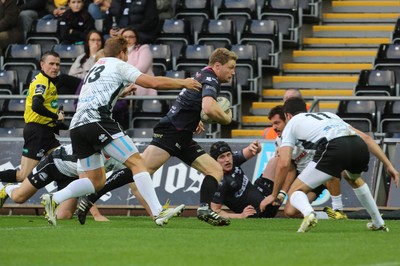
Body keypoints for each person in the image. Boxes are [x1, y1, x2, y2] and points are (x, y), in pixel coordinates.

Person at [39, 36, 201, 226]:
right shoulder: (119, 65)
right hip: (97, 121)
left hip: (77, 126)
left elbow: (95, 92)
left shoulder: (97, 65)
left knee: (96, 181)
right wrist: (183, 83)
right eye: (127, 53)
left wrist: (121, 92)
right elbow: (152, 83)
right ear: (122, 52)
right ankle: (158, 212)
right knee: (138, 163)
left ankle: (54, 198)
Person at [76, 47, 237, 227]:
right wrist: (227, 119)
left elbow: (192, 101)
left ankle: (205, 209)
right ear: (217, 65)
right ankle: (91, 196)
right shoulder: (211, 78)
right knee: (139, 169)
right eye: (231, 67)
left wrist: (194, 118)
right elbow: (209, 107)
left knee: (215, 170)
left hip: (182, 133)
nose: (233, 71)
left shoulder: (204, 75)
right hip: (173, 132)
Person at [261, 97, 399, 233]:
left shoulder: (292, 123)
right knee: (353, 178)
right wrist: (389, 165)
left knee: (295, 192)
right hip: (358, 146)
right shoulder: (328, 115)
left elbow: (284, 164)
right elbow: (367, 138)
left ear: (288, 115)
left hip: (335, 147)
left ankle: (311, 214)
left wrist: (274, 195)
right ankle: (378, 222)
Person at [0, 51, 65, 183]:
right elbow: (36, 106)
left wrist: (57, 121)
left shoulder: (49, 82)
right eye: (51, 63)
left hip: (46, 133)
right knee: (23, 176)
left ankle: (59, 199)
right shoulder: (42, 82)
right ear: (42, 64)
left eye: (58, 64)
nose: (55, 67)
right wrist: (55, 116)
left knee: (64, 164)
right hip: (38, 133)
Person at [0, 144, 110, 222]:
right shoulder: (90, 153)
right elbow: (86, 183)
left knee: (64, 216)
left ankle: (52, 205)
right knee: (19, 197)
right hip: (53, 164)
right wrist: (96, 215)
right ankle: (7, 188)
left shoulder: (116, 155)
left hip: (71, 176)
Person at [209, 141, 280, 219]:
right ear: (215, 162)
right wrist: (240, 216)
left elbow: (254, 150)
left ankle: (282, 194)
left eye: (228, 155)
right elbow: (214, 211)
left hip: (260, 192)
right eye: (222, 157)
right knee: (282, 163)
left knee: (277, 161)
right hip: (260, 212)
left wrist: (256, 147)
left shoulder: (233, 159)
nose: (227, 159)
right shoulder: (218, 182)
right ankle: (283, 196)